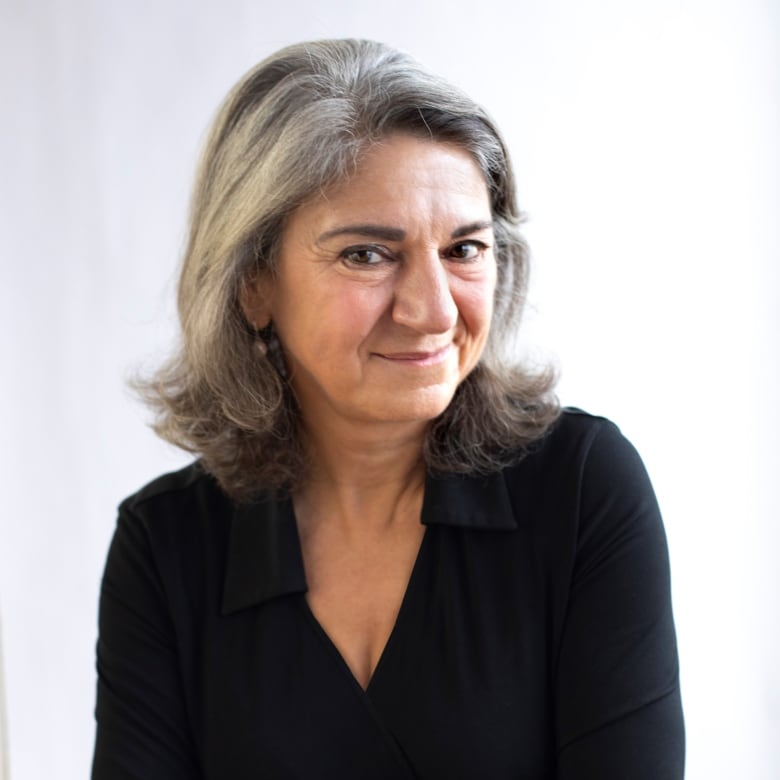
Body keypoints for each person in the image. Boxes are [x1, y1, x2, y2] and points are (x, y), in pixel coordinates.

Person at [91, 39, 684, 779]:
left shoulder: (583, 491)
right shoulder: (166, 547)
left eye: (464, 249)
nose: (433, 310)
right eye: (367, 254)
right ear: (253, 284)